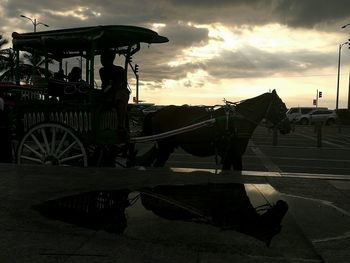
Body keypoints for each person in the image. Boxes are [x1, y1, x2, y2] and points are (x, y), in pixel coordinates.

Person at [99, 49, 130, 132]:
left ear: (110, 59)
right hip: (108, 91)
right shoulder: (102, 70)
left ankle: (121, 126)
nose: (102, 60)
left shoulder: (119, 70)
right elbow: (106, 84)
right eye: (101, 58)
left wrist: (110, 89)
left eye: (104, 58)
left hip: (120, 91)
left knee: (120, 98)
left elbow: (119, 84)